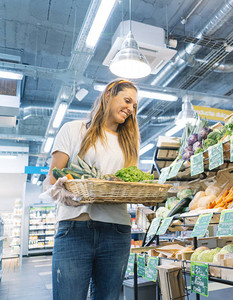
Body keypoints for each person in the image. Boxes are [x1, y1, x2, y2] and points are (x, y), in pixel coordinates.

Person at [44, 79, 139, 300]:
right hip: (74, 230)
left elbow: (128, 185)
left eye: (134, 106)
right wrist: (61, 193)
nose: (130, 109)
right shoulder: (73, 130)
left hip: (116, 230)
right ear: (108, 94)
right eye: (127, 100)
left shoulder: (129, 144)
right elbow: (51, 179)